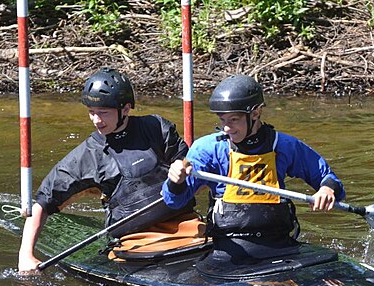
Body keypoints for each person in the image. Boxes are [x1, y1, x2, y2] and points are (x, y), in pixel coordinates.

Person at [18, 68, 193, 272]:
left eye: (103, 113)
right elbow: (43, 202)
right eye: (91, 112)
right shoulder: (88, 155)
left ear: (126, 109)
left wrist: (183, 169)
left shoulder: (156, 128)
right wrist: (26, 255)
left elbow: (191, 166)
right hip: (135, 243)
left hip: (186, 226)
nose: (96, 120)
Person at [162, 74, 345, 265]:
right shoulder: (208, 149)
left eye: (234, 119)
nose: (226, 128)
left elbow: (328, 178)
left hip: (281, 245)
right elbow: (174, 201)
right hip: (229, 249)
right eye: (222, 119)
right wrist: (176, 181)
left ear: (256, 113)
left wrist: (327, 190)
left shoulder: (283, 145)